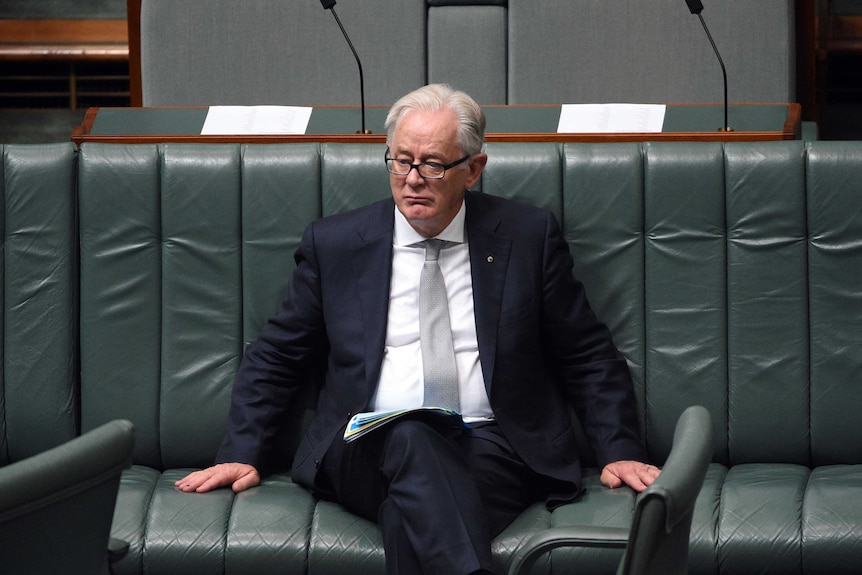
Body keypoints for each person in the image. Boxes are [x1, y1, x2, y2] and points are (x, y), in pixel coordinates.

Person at [177, 84, 659, 575]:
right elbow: (277, 356)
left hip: (491, 446)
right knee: (411, 434)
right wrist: (241, 452)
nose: (412, 179)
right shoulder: (338, 244)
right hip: (363, 446)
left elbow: (585, 353)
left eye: (432, 164)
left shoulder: (526, 237)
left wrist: (618, 450)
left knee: (410, 513)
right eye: (400, 161)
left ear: (473, 169)